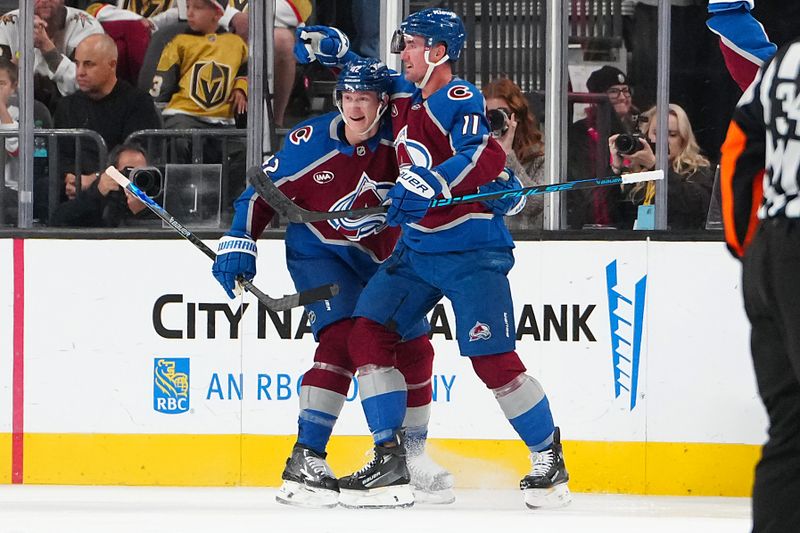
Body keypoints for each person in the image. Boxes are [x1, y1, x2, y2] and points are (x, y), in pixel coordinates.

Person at [297, 8, 570, 510]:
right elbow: (371, 80)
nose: (402, 52)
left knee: (492, 360)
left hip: (470, 251)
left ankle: (548, 460)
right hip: (418, 250)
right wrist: (339, 58)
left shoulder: (457, 95)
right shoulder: (406, 96)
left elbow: (483, 153)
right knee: (367, 331)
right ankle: (392, 459)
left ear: (437, 52)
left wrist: (435, 181)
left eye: (411, 44)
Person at [211, 58, 455, 507]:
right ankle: (307, 458)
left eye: (364, 97)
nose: (353, 108)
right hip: (321, 253)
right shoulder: (311, 144)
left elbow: (423, 92)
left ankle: (412, 454)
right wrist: (240, 237)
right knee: (343, 340)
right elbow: (261, 190)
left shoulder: (405, 139)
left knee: (416, 346)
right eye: (346, 96)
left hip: (387, 257)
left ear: (384, 103)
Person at [720, 36, 800, 532]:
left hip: (774, 246)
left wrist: (751, 248)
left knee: (791, 431)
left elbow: (738, 147)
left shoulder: (787, 58)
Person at [53, 33, 161, 205]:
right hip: (76, 192)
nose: (80, 72)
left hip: (120, 193)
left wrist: (95, 180)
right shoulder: (67, 106)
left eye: (89, 64)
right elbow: (60, 156)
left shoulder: (138, 103)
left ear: (112, 65)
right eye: (77, 64)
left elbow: (138, 158)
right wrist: (71, 178)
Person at [608, 103, 713, 230]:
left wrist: (655, 167)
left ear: (683, 140)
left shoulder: (696, 170)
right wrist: (615, 169)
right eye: (657, 133)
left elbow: (697, 206)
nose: (663, 140)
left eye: (672, 134)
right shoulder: (635, 172)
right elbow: (609, 214)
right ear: (646, 135)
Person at [0, 0, 105, 110]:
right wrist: (22, 50)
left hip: (73, 112)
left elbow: (92, 86)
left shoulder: (87, 26)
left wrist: (47, 48)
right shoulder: (7, 23)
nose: (44, 1)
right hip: (16, 112)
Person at [567, 65, 638, 229]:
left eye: (626, 90)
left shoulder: (637, 129)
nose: (623, 97)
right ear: (597, 98)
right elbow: (586, 190)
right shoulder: (579, 133)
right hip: (594, 221)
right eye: (614, 91)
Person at [483, 77, 546, 230]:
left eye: (501, 114)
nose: (495, 121)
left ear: (516, 116)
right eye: (489, 116)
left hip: (525, 241)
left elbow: (536, 204)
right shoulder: (474, 153)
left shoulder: (540, 155)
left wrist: (506, 156)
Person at [51, 142, 151, 226]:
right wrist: (96, 193)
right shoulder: (102, 196)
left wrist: (141, 211)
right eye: (129, 171)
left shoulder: (153, 194)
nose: (135, 178)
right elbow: (58, 219)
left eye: (140, 173)